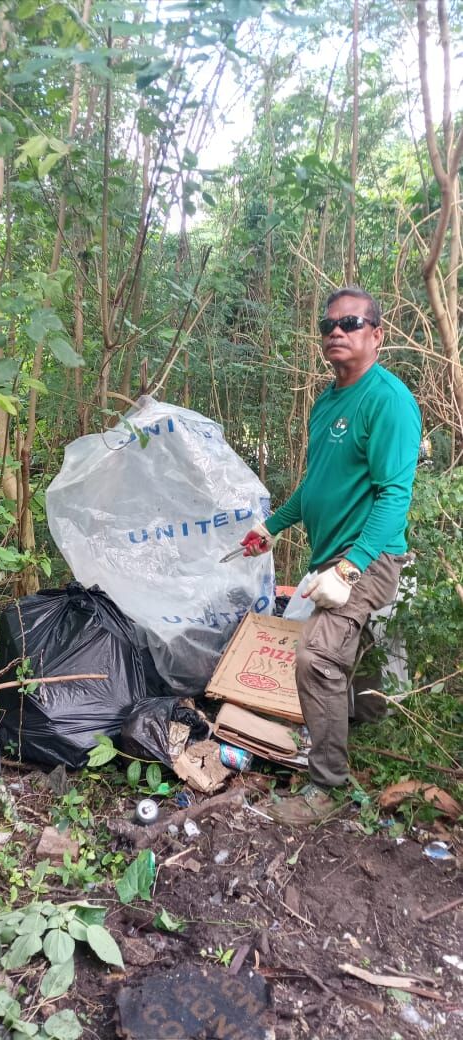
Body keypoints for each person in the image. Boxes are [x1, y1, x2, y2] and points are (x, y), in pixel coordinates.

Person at [241, 287, 421, 824]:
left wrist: (350, 565)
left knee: (317, 657)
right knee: (348, 649)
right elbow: (314, 484)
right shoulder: (327, 400)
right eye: (328, 325)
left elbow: (395, 494)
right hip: (334, 555)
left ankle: (326, 787)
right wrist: (270, 528)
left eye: (351, 322)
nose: (336, 332)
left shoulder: (387, 400)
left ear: (376, 334)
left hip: (367, 554)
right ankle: (362, 723)